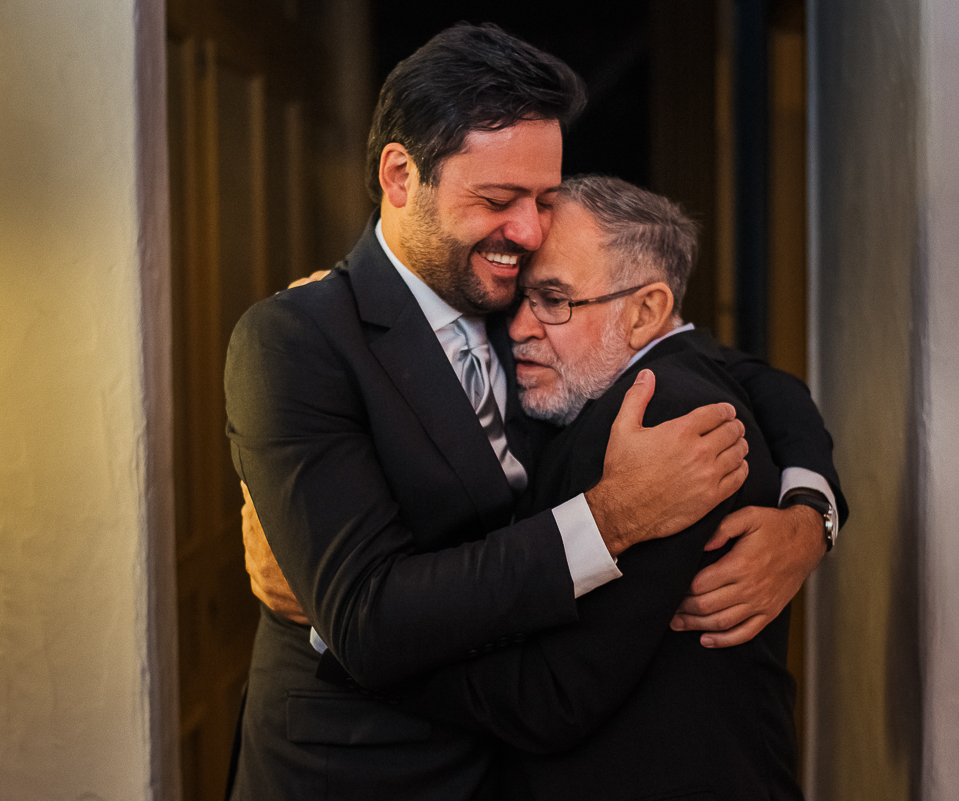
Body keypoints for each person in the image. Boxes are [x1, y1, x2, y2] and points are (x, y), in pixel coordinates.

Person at [224, 23, 843, 801]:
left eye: (543, 199)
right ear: (399, 176)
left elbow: (735, 368)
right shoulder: (297, 339)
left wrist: (808, 515)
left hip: (507, 766)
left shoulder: (510, 296)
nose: (526, 230)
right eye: (497, 199)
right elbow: (369, 619)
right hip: (359, 769)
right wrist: (612, 515)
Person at [378, 173, 810, 800]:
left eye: (554, 300)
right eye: (519, 298)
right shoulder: (617, 389)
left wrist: (370, 643)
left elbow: (551, 696)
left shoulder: (664, 417)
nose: (520, 327)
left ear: (646, 312)